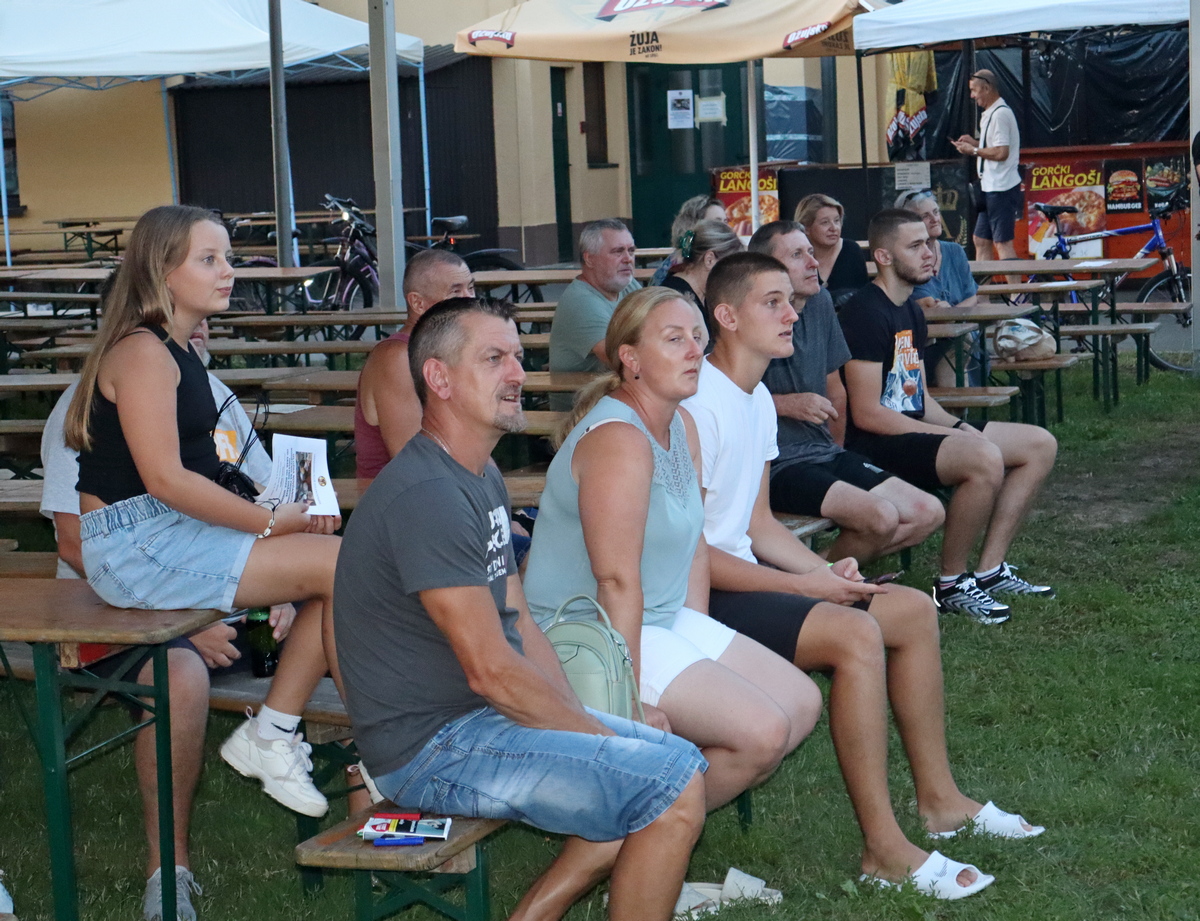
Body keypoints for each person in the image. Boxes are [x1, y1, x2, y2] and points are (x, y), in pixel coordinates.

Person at [682, 252, 1042, 899]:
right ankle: (883, 849)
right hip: (702, 598)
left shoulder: (755, 398)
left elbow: (759, 525)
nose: (793, 314)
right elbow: (696, 554)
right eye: (773, 302)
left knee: (912, 609)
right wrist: (806, 586)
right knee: (854, 635)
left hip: (743, 575)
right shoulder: (697, 405)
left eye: (790, 301)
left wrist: (826, 570)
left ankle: (941, 802)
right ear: (727, 316)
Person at [334, 297, 707, 921]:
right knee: (667, 784)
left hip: (476, 719)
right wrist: (595, 737)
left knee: (666, 766)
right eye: (494, 359)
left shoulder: (479, 474)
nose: (517, 374)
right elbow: (491, 671)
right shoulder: (429, 495)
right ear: (438, 378)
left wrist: (586, 722)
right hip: (430, 748)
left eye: (518, 356)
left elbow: (520, 621)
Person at [63, 205, 342, 920]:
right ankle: (307, 738)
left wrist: (283, 529)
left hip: (167, 534)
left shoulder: (180, 354)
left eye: (228, 258)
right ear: (162, 271)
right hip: (134, 542)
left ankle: (278, 731)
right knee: (344, 567)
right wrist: (272, 525)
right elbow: (165, 479)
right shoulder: (142, 352)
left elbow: (211, 480)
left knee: (344, 567)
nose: (229, 272)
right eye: (210, 259)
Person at [524, 287, 819, 817]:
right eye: (674, 338)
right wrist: (629, 698)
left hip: (656, 618)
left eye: (697, 337)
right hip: (586, 633)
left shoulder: (680, 424)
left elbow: (694, 548)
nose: (694, 350)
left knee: (801, 703)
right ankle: (639, 840)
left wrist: (696, 642)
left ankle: (651, 826)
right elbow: (615, 582)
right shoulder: (618, 439)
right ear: (630, 359)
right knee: (763, 732)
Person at [840, 210, 1058, 621]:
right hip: (876, 444)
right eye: (915, 246)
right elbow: (867, 414)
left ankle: (990, 571)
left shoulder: (910, 311)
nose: (929, 253)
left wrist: (959, 427)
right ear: (884, 257)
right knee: (983, 458)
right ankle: (952, 584)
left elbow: (920, 398)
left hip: (912, 429)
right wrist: (955, 439)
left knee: (1038, 444)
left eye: (928, 243)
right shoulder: (865, 313)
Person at [747, 221, 944, 563]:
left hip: (824, 450)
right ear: (767, 269)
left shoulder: (820, 301)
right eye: (797, 255)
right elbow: (719, 394)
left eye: (811, 252)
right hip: (774, 465)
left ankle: (809, 575)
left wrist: (836, 450)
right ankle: (813, 582)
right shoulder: (746, 317)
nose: (813, 262)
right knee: (881, 517)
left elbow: (835, 391)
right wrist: (784, 404)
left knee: (927, 512)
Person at [354, 250, 474, 481]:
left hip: (450, 485)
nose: (470, 300)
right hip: (403, 498)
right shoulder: (397, 358)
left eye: (471, 288)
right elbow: (413, 461)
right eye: (456, 292)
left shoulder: (447, 350)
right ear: (418, 303)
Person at [549, 219, 642, 409]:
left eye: (631, 251)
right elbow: (622, 361)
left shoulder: (626, 284)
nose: (628, 259)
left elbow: (659, 322)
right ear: (589, 259)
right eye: (618, 251)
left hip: (614, 398)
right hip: (581, 412)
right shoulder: (580, 302)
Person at [896, 188, 981, 387]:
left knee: (964, 338)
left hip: (962, 333)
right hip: (925, 342)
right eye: (925, 216)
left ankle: (958, 403)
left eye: (936, 212)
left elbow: (972, 297)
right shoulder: (908, 259)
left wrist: (952, 313)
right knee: (960, 341)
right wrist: (950, 315)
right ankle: (955, 404)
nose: (935, 219)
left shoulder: (955, 251)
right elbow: (927, 307)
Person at [952, 69, 1022, 264]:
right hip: (990, 187)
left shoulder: (1000, 114)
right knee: (981, 240)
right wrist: (975, 143)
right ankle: (983, 285)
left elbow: (1001, 152)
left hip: (1002, 188)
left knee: (1003, 243)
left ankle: (1015, 285)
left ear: (987, 88)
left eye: (974, 90)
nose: (972, 96)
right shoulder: (991, 113)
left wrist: (973, 150)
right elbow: (994, 146)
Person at [660, 219, 743, 338]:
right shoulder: (677, 299)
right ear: (709, 260)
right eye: (731, 268)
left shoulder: (703, 295)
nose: (734, 277)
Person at [794, 194, 868, 307]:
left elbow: (862, 296)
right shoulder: (797, 256)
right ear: (806, 228)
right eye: (825, 222)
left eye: (837, 221)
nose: (834, 228)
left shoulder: (851, 250)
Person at [650, 195, 727, 286]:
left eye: (725, 222)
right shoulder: (682, 265)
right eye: (717, 222)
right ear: (694, 226)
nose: (726, 228)